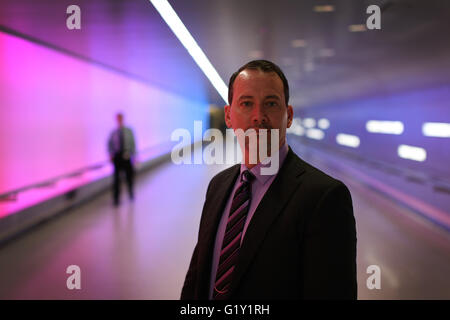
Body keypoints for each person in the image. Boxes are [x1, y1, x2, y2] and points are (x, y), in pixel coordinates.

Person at [181, 60, 357, 300]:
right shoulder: (218, 186)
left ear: (289, 115)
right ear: (229, 116)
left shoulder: (324, 197)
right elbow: (197, 277)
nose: (258, 117)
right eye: (246, 103)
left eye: (271, 104)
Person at [107, 112, 136, 206]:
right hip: (117, 157)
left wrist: (134, 156)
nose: (119, 120)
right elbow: (109, 144)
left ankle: (131, 193)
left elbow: (133, 143)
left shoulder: (128, 131)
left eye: (120, 118)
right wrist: (110, 154)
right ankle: (116, 199)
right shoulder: (113, 132)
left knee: (129, 176)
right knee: (116, 179)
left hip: (127, 156)